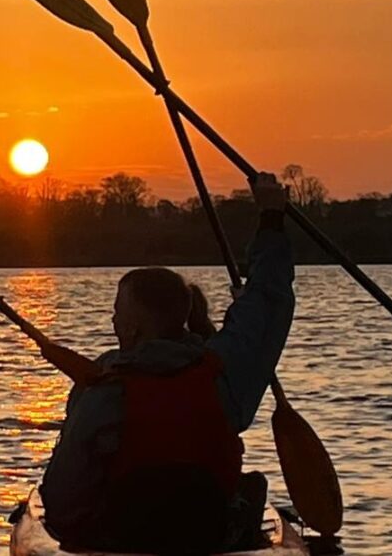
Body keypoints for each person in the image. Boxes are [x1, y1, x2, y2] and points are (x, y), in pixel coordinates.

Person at [37, 173, 294, 555]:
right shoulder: (223, 371)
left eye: (117, 314)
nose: (112, 323)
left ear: (135, 327)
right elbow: (267, 300)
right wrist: (272, 217)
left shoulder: (103, 391)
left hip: (121, 538)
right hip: (208, 533)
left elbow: (62, 499)